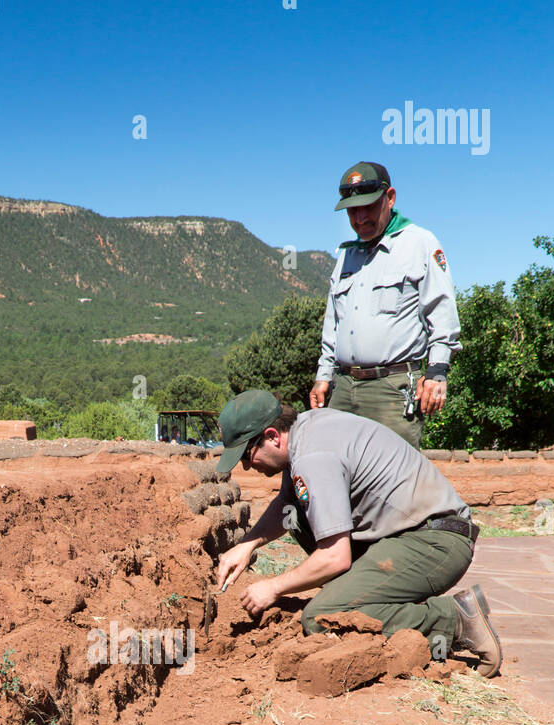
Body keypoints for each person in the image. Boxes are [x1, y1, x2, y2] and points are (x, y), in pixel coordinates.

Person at [214, 389, 502, 675]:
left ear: (272, 436)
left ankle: (455, 619)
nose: (247, 466)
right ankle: (366, 598)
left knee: (321, 617)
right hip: (413, 534)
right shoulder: (307, 429)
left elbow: (335, 557)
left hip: (435, 543)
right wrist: (247, 545)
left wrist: (273, 587)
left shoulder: (312, 457)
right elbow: (286, 504)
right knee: (299, 515)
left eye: (247, 455)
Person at [309, 162, 460, 447]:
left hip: (392, 390)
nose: (360, 217)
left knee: (395, 479)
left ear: (389, 198)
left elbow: (441, 313)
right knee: (337, 471)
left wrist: (437, 372)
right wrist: (323, 377)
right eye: (353, 210)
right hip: (343, 388)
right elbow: (333, 325)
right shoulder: (346, 256)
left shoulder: (419, 243)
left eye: (368, 207)